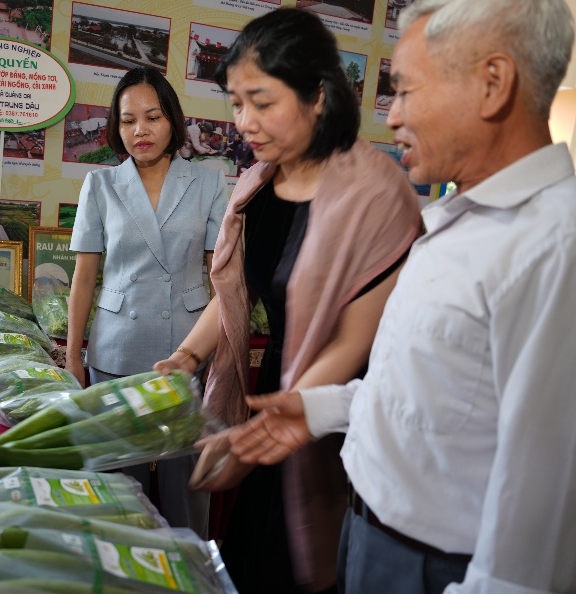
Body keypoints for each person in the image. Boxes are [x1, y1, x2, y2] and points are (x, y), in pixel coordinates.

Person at [228, 1, 576, 592]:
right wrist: (319, 409)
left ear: (493, 84)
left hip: (438, 567)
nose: (391, 117)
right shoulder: (454, 220)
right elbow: (427, 390)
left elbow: (540, 509)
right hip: (368, 533)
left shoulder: (553, 247)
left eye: (406, 91)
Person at [153, 7, 422, 593]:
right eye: (236, 103)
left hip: (339, 406)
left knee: (309, 558)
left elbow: (355, 340)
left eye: (262, 102)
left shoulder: (375, 192)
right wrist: (188, 357)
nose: (245, 122)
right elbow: (235, 293)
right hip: (275, 390)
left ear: (317, 96)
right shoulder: (259, 183)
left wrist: (283, 417)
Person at [66, 66, 229, 539]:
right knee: (117, 490)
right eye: (128, 120)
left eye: (153, 117)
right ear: (116, 128)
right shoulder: (100, 185)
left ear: (172, 121)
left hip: (187, 348)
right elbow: (84, 277)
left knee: (186, 491)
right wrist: (73, 355)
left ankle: (189, 566)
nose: (141, 130)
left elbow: (222, 276)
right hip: (116, 347)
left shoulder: (208, 182)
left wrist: (220, 353)